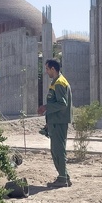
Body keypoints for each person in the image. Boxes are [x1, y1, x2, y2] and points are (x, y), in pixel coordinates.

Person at [37, 59, 73, 188]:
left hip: (59, 122)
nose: (46, 71)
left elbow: (62, 104)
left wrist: (45, 107)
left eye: (47, 69)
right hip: (55, 121)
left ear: (53, 69)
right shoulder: (56, 82)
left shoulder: (59, 83)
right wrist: (48, 122)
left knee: (58, 150)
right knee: (56, 150)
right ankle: (64, 176)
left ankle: (62, 178)